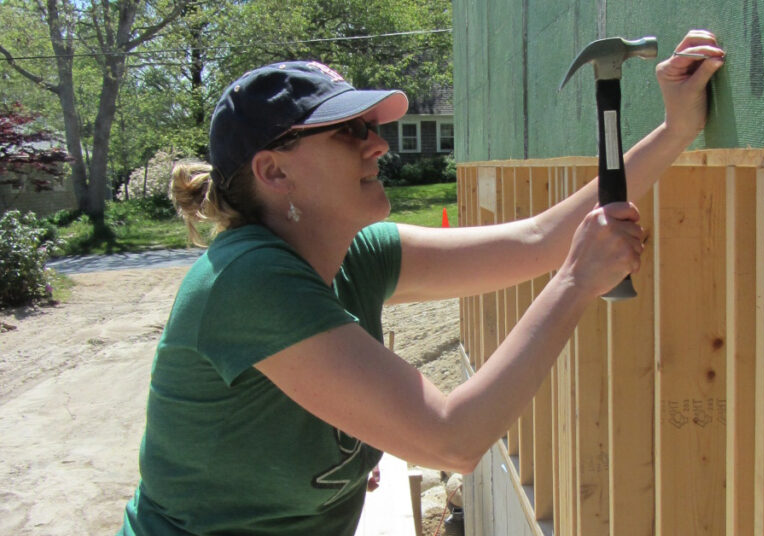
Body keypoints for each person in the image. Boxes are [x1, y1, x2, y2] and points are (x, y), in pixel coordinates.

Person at [119, 29, 724, 536]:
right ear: (274, 171)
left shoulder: (356, 255)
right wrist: (577, 283)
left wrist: (676, 129)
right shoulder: (247, 280)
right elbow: (449, 440)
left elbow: (541, 239)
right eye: (349, 132)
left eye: (368, 127)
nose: (378, 143)